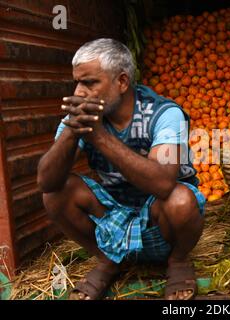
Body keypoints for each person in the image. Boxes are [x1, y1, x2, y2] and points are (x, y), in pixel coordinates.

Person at [37, 38, 206, 300]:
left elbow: (163, 184)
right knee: (57, 193)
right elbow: (46, 183)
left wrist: (99, 137)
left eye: (90, 83)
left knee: (181, 200)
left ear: (122, 82)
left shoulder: (164, 114)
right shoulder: (84, 116)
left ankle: (178, 260)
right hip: (115, 211)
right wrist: (71, 132)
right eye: (77, 82)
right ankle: (108, 261)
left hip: (159, 214)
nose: (79, 92)